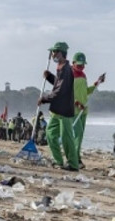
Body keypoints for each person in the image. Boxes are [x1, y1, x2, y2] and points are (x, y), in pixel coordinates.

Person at [38, 42, 79, 171]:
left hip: (64, 109)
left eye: (55, 52)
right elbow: (57, 84)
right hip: (56, 110)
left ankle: (73, 164)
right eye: (52, 52)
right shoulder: (60, 68)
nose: (52, 55)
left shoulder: (66, 69)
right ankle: (58, 161)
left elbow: (59, 91)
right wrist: (49, 76)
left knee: (67, 138)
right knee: (50, 134)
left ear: (61, 53)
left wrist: (44, 99)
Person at [72, 51, 105, 168]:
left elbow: (86, 91)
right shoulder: (69, 74)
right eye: (79, 64)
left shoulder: (83, 75)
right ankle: (74, 159)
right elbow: (66, 93)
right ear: (73, 62)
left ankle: (77, 158)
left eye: (83, 64)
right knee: (77, 134)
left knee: (80, 137)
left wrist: (97, 83)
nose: (81, 67)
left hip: (83, 110)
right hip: (74, 110)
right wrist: (76, 103)